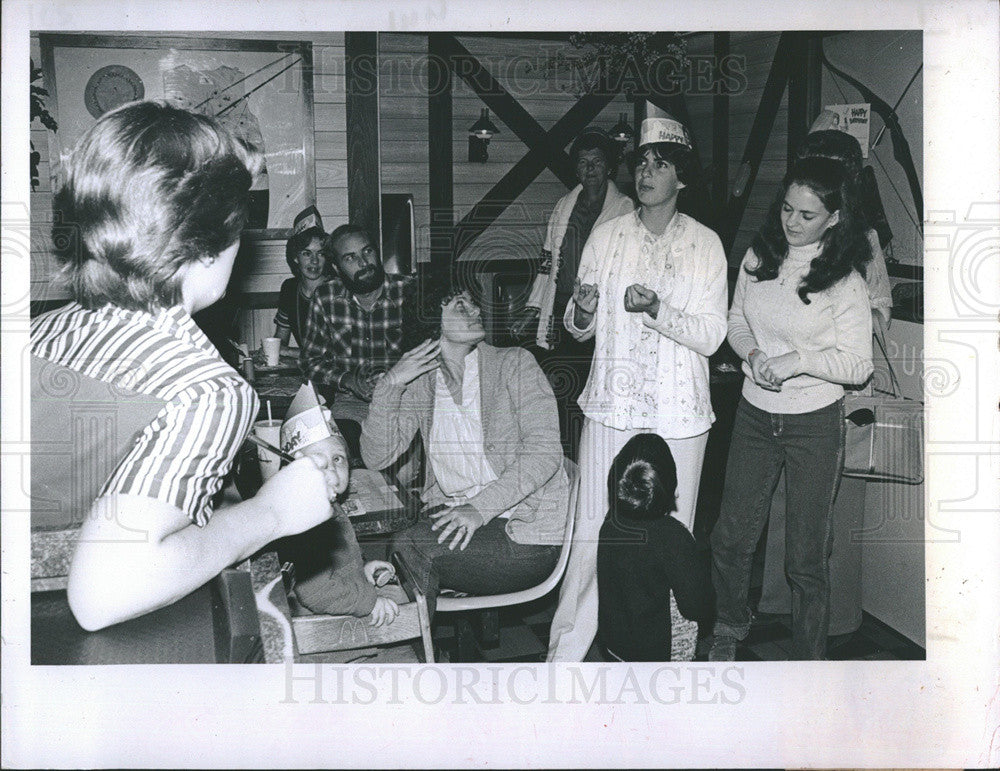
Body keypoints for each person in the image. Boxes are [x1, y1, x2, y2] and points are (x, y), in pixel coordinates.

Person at [30, 101, 337, 632]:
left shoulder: (43, 329)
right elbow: (106, 592)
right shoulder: (206, 390)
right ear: (207, 245)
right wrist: (274, 513)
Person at [547, 116, 728, 662]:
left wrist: (658, 310)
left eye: (661, 163)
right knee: (590, 541)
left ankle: (666, 666)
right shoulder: (607, 236)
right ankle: (565, 662)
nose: (646, 172)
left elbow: (712, 334)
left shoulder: (706, 246)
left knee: (673, 545)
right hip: (611, 409)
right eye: (642, 162)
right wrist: (580, 310)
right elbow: (581, 327)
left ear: (682, 178)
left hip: (679, 417)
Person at [709, 157, 874, 661]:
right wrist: (754, 353)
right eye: (786, 208)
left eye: (806, 215)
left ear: (834, 218)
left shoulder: (845, 281)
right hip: (756, 415)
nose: (791, 222)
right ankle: (729, 626)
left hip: (816, 423)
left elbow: (858, 366)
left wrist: (797, 359)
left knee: (805, 558)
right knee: (730, 537)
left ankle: (809, 659)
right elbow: (736, 320)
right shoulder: (759, 257)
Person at [758, 124, 894, 638]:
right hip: (788, 390)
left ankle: (833, 620)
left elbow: (877, 311)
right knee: (784, 500)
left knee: (832, 508)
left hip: (842, 387)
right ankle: (777, 603)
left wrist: (829, 335)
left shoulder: (861, 238)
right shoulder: (789, 231)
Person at [361, 280, 569, 610]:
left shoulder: (514, 363)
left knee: (409, 547)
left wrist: (479, 509)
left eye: (472, 302)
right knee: (392, 545)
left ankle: (408, 647)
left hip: (527, 532)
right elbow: (375, 456)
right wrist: (391, 383)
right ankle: (407, 636)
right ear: (431, 322)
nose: (474, 309)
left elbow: (545, 452)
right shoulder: (423, 384)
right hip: (467, 524)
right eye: (459, 304)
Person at [512, 129, 635, 458]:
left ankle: (595, 459)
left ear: (609, 167)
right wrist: (534, 307)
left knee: (595, 394)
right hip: (560, 311)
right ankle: (566, 460)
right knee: (561, 393)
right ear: (576, 169)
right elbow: (547, 260)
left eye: (597, 162)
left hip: (600, 319)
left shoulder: (625, 210)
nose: (590, 169)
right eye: (583, 163)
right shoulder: (564, 205)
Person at [275, 385, 398, 626]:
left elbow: (335, 566)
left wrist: (361, 570)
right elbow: (315, 593)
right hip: (321, 630)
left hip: (336, 611)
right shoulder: (305, 521)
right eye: (317, 461)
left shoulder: (327, 506)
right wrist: (368, 601)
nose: (331, 470)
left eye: (338, 458)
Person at [299, 223, 414, 458]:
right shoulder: (326, 297)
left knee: (402, 469)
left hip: (406, 402)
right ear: (336, 267)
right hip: (352, 404)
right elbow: (310, 362)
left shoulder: (410, 291)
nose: (364, 263)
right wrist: (348, 380)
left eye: (368, 252)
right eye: (350, 258)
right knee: (341, 456)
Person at [597, 434, 714, 662]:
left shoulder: (610, 525)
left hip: (615, 646)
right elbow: (697, 607)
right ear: (670, 486)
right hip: (660, 655)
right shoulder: (673, 536)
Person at [273, 206, 330, 348]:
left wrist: (287, 352)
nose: (315, 261)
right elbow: (281, 338)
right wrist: (271, 350)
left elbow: (336, 354)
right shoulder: (289, 288)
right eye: (307, 253)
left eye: (321, 253)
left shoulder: (337, 289)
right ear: (295, 257)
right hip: (304, 368)